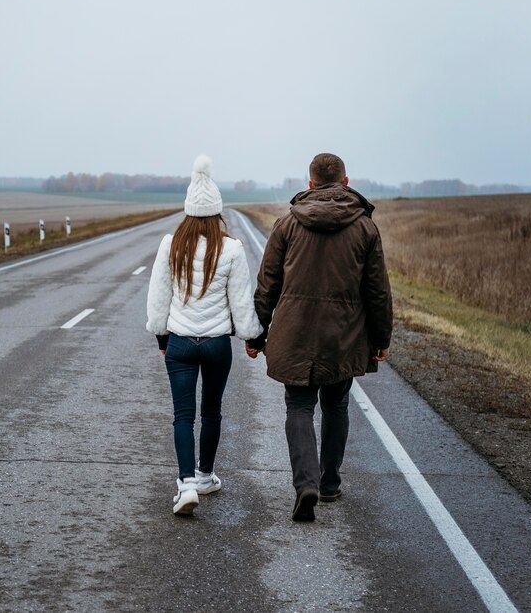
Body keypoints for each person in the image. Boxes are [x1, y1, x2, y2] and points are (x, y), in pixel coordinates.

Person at [246, 152, 393, 522]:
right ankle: (328, 484)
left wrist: (257, 332)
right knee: (336, 406)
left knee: (298, 407)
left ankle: (305, 484)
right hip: (343, 335)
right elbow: (378, 292)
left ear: (310, 184)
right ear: (345, 182)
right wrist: (380, 338)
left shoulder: (287, 224)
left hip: (294, 333)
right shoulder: (365, 228)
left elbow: (268, 285)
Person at [147, 155, 263, 515]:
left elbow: (158, 299)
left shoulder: (171, 245)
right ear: (217, 212)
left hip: (180, 342)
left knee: (183, 415)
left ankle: (185, 485)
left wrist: (162, 338)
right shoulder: (231, 248)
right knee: (212, 411)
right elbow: (241, 303)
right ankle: (206, 475)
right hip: (215, 345)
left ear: (187, 210)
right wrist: (252, 338)